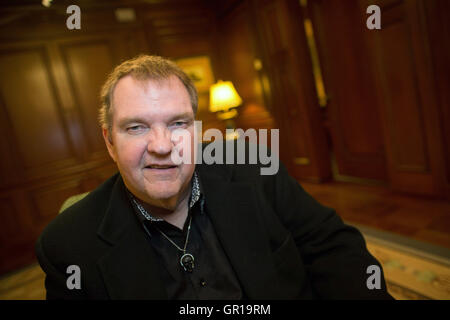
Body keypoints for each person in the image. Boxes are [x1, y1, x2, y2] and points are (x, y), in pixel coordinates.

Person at [35, 55, 393, 300]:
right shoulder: (68, 245)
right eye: (137, 127)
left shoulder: (254, 168)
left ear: (197, 130)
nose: (162, 145)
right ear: (109, 142)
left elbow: (332, 248)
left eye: (178, 123)